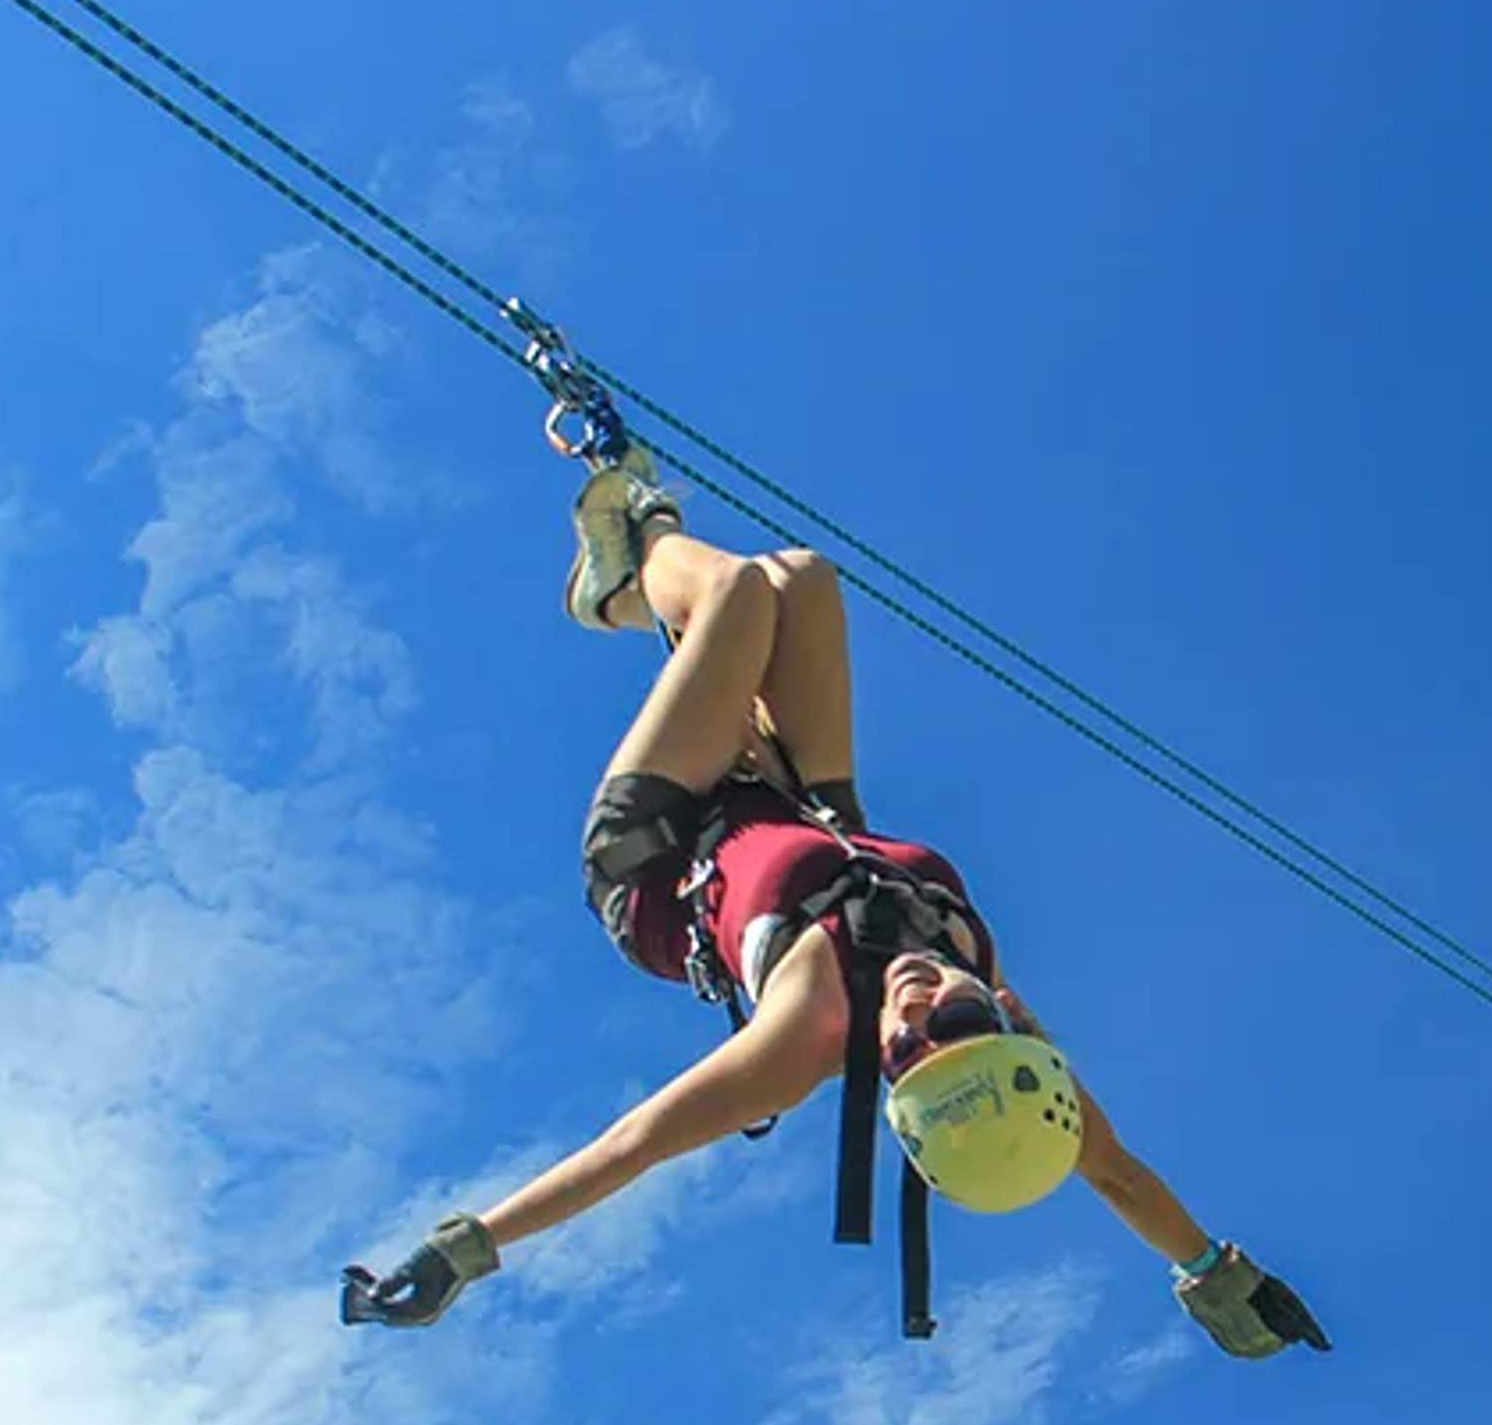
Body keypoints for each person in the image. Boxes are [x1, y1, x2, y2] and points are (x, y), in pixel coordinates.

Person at [342, 448, 1330, 1360]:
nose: (916, 1002)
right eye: (958, 1018)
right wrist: (1219, 1276)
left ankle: (626, 569)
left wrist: (458, 1254)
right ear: (1006, 1026)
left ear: (886, 1070)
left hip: (664, 849)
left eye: (906, 1044)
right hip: (809, 811)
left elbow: (630, 1148)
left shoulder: (803, 1037)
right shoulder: (986, 992)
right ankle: (639, 576)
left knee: (735, 591)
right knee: (802, 579)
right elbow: (1113, 1170)